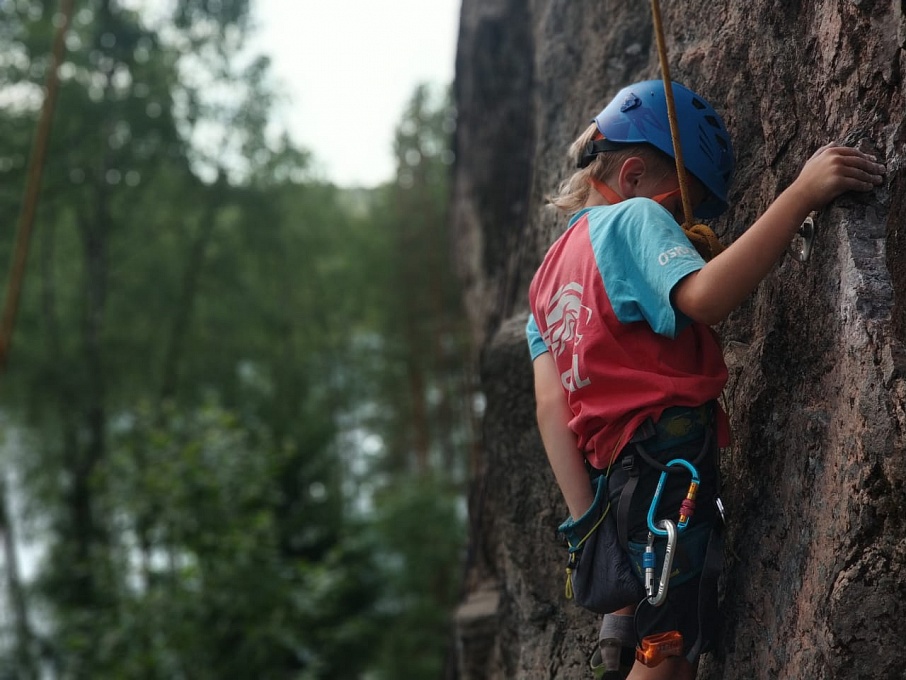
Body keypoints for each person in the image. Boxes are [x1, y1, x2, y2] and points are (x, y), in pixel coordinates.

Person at [525, 80, 885, 680]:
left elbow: (549, 406)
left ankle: (624, 620)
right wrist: (801, 194)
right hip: (668, 471)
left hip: (616, 485)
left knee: (659, 637)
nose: (674, 226)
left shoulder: (544, 279)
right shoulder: (635, 217)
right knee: (668, 655)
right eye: (676, 210)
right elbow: (705, 297)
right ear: (633, 177)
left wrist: (591, 530)